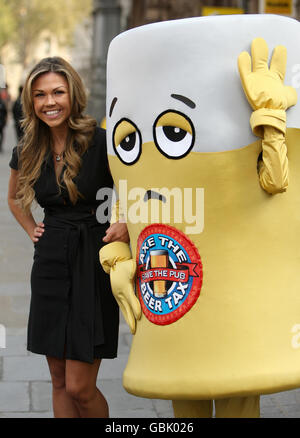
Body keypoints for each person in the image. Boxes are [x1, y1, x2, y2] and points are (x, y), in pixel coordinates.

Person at [7, 57, 129, 418]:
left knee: (80, 386)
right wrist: (32, 229)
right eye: (40, 95)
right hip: (50, 262)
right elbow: (14, 198)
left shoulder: (105, 142)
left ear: (73, 94)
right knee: (59, 382)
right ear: (31, 101)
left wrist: (125, 221)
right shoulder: (28, 149)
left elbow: (139, 188)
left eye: (57, 92)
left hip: (94, 259)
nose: (50, 102)